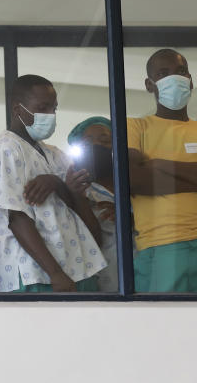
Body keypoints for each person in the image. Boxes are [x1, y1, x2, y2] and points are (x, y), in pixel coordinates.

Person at [127, 48, 197, 292]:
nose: (174, 78)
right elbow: (134, 179)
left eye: (181, 71)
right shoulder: (134, 127)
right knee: (166, 329)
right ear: (149, 84)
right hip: (160, 246)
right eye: (163, 73)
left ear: (191, 80)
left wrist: (160, 164)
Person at [0, 75, 105, 292]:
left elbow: (80, 209)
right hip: (36, 275)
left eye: (53, 109)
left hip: (76, 268)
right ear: (17, 110)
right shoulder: (7, 149)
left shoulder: (53, 154)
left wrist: (58, 184)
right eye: (42, 108)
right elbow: (17, 218)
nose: (50, 115)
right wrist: (55, 274)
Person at [67, 116, 119, 292]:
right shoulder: (80, 192)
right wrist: (78, 197)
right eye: (87, 143)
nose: (97, 146)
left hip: (145, 275)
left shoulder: (133, 187)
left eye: (105, 140)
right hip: (104, 282)